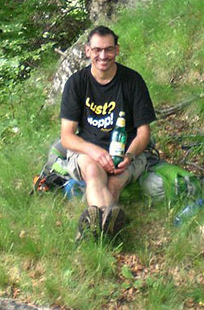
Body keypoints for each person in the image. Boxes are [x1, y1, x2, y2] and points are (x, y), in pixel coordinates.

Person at [59, 25, 156, 239]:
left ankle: (94, 232)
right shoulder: (76, 83)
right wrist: (93, 151)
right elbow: (66, 136)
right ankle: (110, 231)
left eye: (109, 49)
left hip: (127, 154)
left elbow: (143, 133)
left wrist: (129, 156)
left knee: (113, 183)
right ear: (88, 51)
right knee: (94, 174)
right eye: (97, 50)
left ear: (117, 50)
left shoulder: (133, 81)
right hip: (88, 152)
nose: (103, 56)